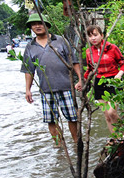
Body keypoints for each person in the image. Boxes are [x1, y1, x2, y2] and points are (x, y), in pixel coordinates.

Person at [21, 13, 82, 146]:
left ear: (47, 25)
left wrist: (80, 79)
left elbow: (75, 61)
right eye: (34, 24)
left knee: (72, 117)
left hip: (66, 86)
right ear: (31, 27)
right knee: (51, 120)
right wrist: (27, 90)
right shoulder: (30, 47)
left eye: (40, 23)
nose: (37, 26)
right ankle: (60, 147)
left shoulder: (60, 40)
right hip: (46, 89)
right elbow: (28, 70)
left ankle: (77, 145)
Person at [76, 25, 124, 134]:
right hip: (99, 83)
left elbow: (123, 64)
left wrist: (119, 74)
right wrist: (81, 81)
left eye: (95, 35)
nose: (93, 38)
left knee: (112, 112)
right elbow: (90, 69)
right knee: (107, 116)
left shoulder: (112, 48)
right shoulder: (89, 52)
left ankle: (123, 134)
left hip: (113, 81)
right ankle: (115, 139)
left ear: (101, 35)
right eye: (90, 36)